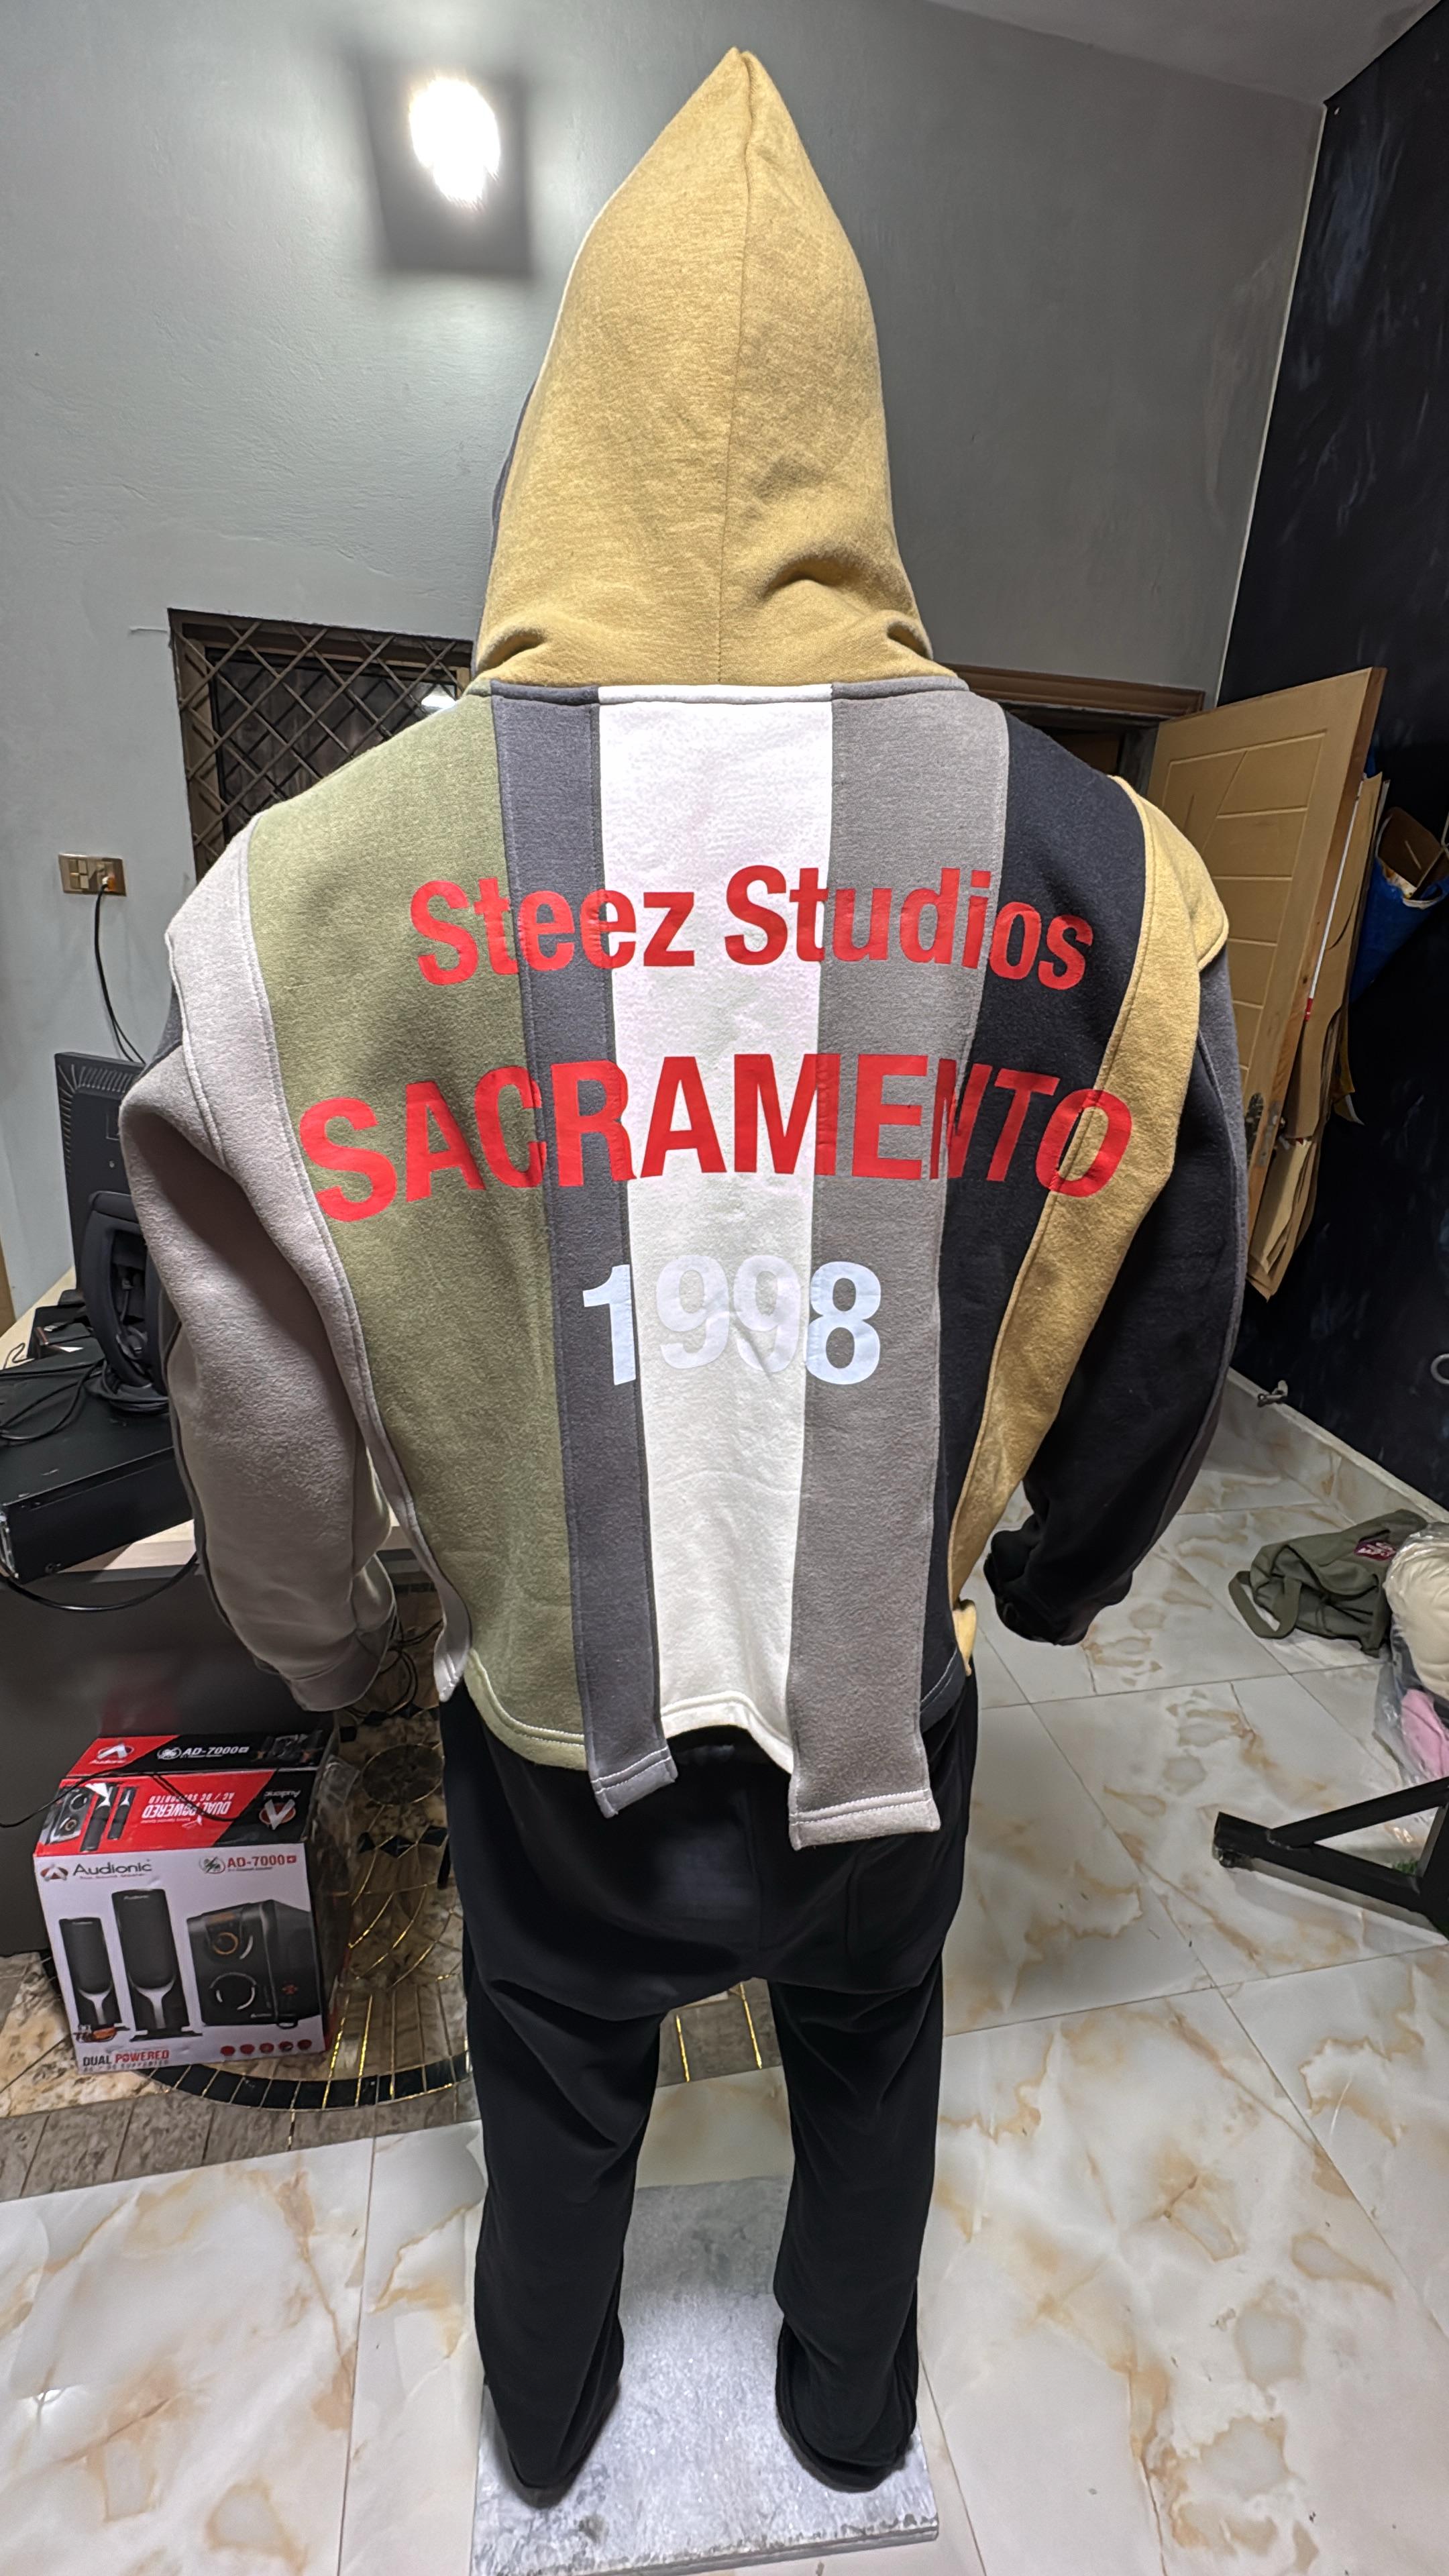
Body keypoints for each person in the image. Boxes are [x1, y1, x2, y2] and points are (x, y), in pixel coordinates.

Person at [122, 49, 1245, 2504]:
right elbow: (1184, 1288)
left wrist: (319, 1636)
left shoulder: (302, 897)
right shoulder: (1107, 873)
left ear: (567, 422)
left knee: (554, 2085)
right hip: (886, 1708)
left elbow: (247, 1379)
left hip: (554, 1725)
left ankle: (544, 2436)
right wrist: (1054, 1570)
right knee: (872, 2059)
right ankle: (854, 2421)